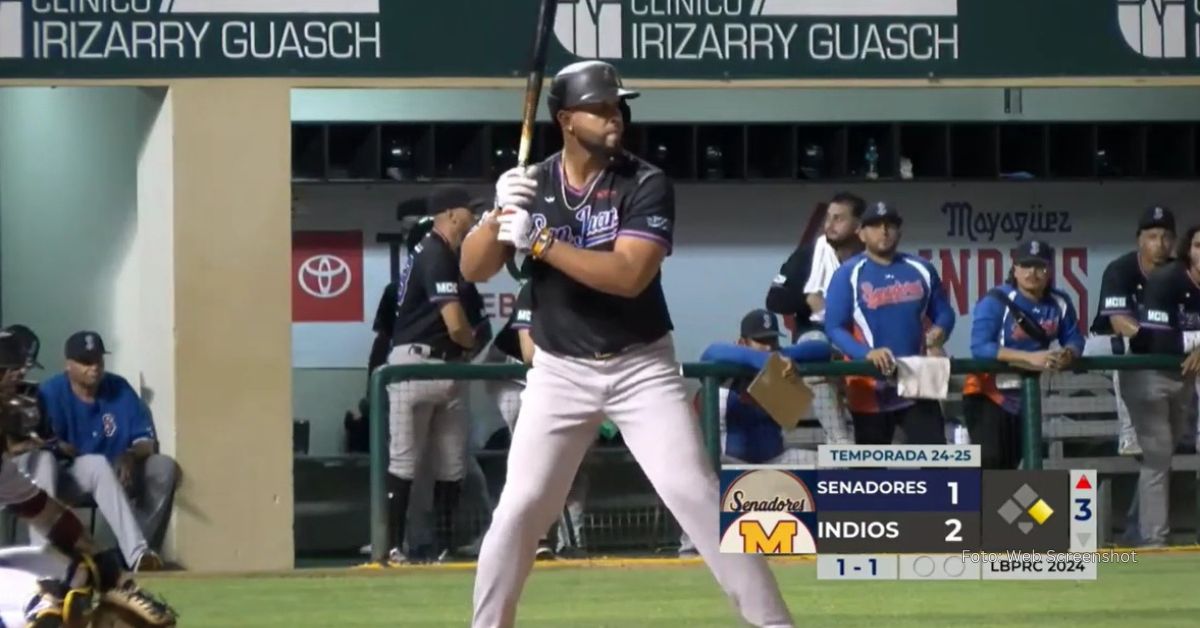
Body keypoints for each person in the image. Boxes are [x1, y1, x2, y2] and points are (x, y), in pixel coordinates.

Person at [460, 60, 793, 628]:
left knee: (697, 497)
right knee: (519, 509)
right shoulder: (534, 181)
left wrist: (538, 240)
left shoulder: (644, 181)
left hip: (641, 367)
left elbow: (628, 275)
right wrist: (495, 218)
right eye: (601, 108)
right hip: (559, 371)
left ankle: (774, 624)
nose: (615, 117)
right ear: (566, 119)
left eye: (618, 106)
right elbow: (473, 269)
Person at [0, 332, 177, 628]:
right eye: (9, 379)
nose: (18, 393)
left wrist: (108, 569)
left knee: (71, 576)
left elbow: (46, 513)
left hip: (69, 472)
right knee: (39, 599)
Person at [384, 185, 484, 564]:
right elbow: (456, 323)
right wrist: (470, 343)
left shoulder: (440, 252)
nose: (474, 218)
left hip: (443, 367)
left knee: (451, 463)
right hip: (417, 364)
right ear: (452, 214)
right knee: (406, 462)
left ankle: (442, 547)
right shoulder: (435, 252)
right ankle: (394, 547)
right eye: (470, 211)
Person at [677, 309, 831, 556]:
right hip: (729, 464)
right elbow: (712, 350)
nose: (768, 347)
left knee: (829, 465)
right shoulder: (725, 365)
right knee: (699, 471)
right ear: (742, 342)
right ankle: (692, 547)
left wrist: (779, 356)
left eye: (773, 340)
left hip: (773, 460)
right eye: (761, 341)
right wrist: (763, 361)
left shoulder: (781, 365)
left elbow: (822, 350)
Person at [27, 331, 175, 572]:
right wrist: (57, 447)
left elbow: (146, 441)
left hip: (115, 472)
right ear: (69, 365)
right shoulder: (50, 392)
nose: (94, 367)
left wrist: (129, 455)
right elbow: (36, 441)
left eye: (98, 360)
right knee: (65, 463)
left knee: (155, 465)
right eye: (86, 362)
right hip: (64, 475)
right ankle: (45, 560)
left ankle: (137, 554)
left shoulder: (118, 388)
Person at [824, 202, 956, 445]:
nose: (883, 231)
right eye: (874, 226)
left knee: (936, 457)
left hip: (916, 375)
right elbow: (834, 328)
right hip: (870, 381)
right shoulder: (848, 274)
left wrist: (941, 329)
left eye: (890, 225)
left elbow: (945, 312)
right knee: (871, 469)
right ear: (861, 233)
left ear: (899, 232)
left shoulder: (921, 268)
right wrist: (866, 354)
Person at [965, 239, 1085, 469]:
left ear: (1049, 270)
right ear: (1015, 268)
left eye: (1040, 266)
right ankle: (977, 505)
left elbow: (1074, 337)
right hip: (987, 394)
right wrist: (1029, 358)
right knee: (990, 463)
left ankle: (999, 505)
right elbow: (980, 347)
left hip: (1025, 397)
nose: (1033, 273)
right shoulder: (996, 300)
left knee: (1012, 465)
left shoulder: (1059, 302)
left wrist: (1069, 353)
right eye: (1026, 265)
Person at [1121, 224, 1200, 548]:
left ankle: (1146, 533)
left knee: (1163, 456)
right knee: (1157, 455)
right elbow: (1153, 336)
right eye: (1199, 245)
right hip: (1148, 373)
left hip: (1184, 378)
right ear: (1188, 250)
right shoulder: (1168, 278)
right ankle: (1154, 541)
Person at [766, 192, 865, 446]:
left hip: (861, 340)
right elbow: (774, 299)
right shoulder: (808, 256)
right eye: (828, 218)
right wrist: (806, 300)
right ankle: (840, 440)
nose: (829, 225)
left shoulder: (871, 261)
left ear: (858, 226)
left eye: (839, 219)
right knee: (815, 342)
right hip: (818, 340)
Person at [1088, 206, 1177, 457]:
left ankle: (1194, 437)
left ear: (1174, 241)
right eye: (1152, 236)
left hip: (1160, 348)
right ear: (1139, 239)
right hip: (1106, 343)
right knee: (1128, 353)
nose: (1159, 243)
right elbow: (1120, 323)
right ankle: (1129, 436)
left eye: (1166, 236)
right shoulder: (1121, 269)